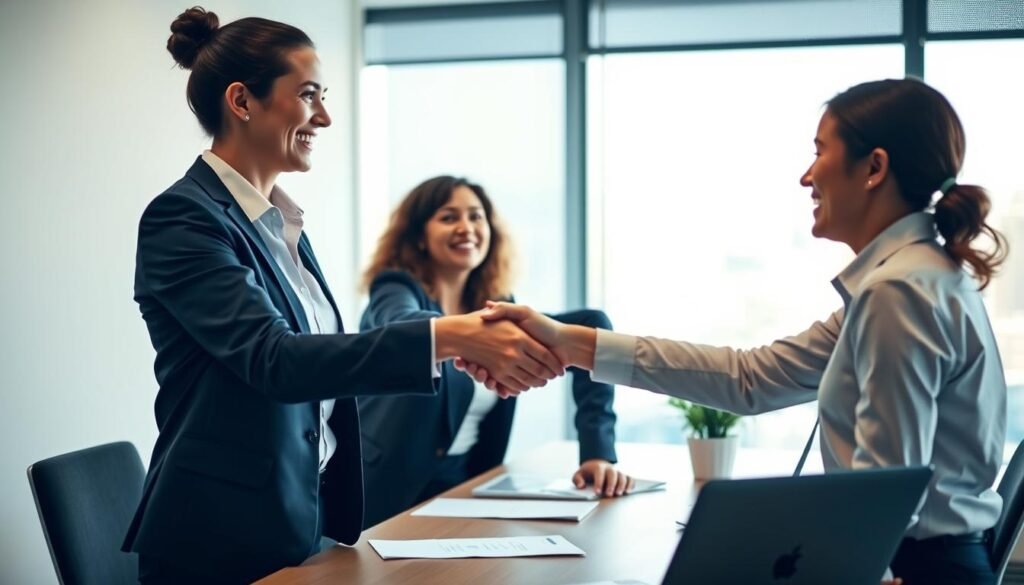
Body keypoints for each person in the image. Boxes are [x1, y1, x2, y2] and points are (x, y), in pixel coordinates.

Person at [465, 78, 1008, 585]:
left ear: (873, 168)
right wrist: (568, 342)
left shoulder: (899, 292)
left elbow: (883, 493)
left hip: (909, 570)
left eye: (819, 150)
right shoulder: (910, 281)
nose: (806, 174)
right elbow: (751, 378)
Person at [123, 8, 562, 584]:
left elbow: (320, 367)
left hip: (300, 525)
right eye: (309, 95)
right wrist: (449, 335)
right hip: (218, 542)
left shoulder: (280, 225)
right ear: (242, 101)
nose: (324, 117)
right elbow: (275, 360)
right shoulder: (183, 218)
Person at [358, 176, 632, 527]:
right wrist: (471, 334)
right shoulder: (394, 286)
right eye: (448, 217)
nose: (466, 227)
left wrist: (597, 453)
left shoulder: (498, 306)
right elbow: (401, 323)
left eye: (476, 216)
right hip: (388, 488)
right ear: (418, 236)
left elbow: (592, 326)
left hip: (466, 486)